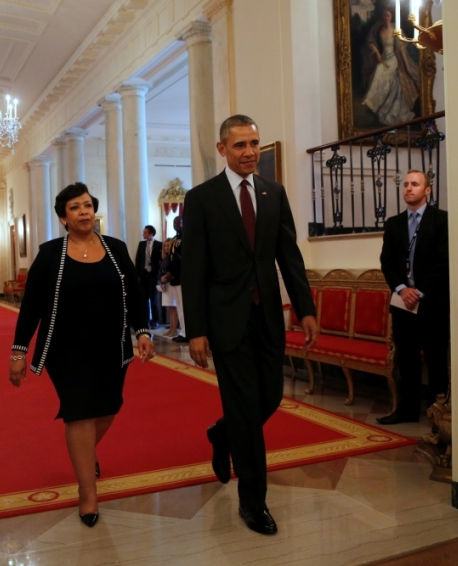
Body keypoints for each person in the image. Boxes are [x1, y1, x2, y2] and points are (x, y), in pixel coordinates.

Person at [182, 115, 319, 535]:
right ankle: (253, 502)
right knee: (244, 408)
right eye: (240, 144)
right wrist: (197, 328)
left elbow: (288, 256)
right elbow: (194, 268)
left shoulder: (273, 193)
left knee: (271, 396)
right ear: (222, 149)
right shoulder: (201, 198)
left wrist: (305, 308)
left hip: (267, 318)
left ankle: (223, 434)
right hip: (225, 322)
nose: (249, 152)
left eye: (254, 143)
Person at [8, 182, 156, 528]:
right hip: (65, 348)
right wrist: (18, 350)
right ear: (63, 217)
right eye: (75, 207)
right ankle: (87, 494)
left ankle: (85, 454)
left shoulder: (117, 249)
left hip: (111, 344)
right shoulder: (49, 254)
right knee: (78, 413)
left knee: (108, 408)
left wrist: (143, 331)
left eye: (88, 205)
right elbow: (31, 307)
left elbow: (135, 295)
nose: (84, 211)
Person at [378, 169, 449, 425]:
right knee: (406, 359)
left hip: (432, 303)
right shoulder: (394, 223)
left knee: (435, 358)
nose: (409, 188)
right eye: (406, 184)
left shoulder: (442, 221)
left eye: (415, 184)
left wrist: (418, 291)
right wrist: (401, 288)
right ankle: (406, 411)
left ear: (427, 190)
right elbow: (386, 261)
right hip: (402, 303)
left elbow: (444, 262)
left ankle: (438, 414)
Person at [362, 8, 420, 127]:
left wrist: (407, 67)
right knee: (378, 70)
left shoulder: (395, 30)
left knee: (384, 75)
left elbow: (401, 49)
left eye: (388, 15)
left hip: (393, 59)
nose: (386, 18)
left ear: (391, 17)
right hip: (384, 59)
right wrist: (377, 53)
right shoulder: (379, 30)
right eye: (384, 15)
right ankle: (372, 103)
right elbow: (371, 42)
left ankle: (376, 104)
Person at [160, 216, 188, 343]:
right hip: (174, 278)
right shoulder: (175, 239)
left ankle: (186, 332)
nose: (176, 224)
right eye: (174, 222)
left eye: (178, 222)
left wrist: (173, 273)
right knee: (179, 307)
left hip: (182, 277)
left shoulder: (187, 237)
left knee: (183, 306)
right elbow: (172, 258)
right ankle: (183, 331)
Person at [135, 225, 162, 328]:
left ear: (151, 234)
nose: (143, 234)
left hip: (153, 276)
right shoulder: (141, 244)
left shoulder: (159, 245)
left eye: (145, 233)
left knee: (154, 299)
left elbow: (161, 260)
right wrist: (137, 275)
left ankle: (155, 321)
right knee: (144, 299)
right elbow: (138, 260)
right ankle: (146, 320)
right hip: (143, 275)